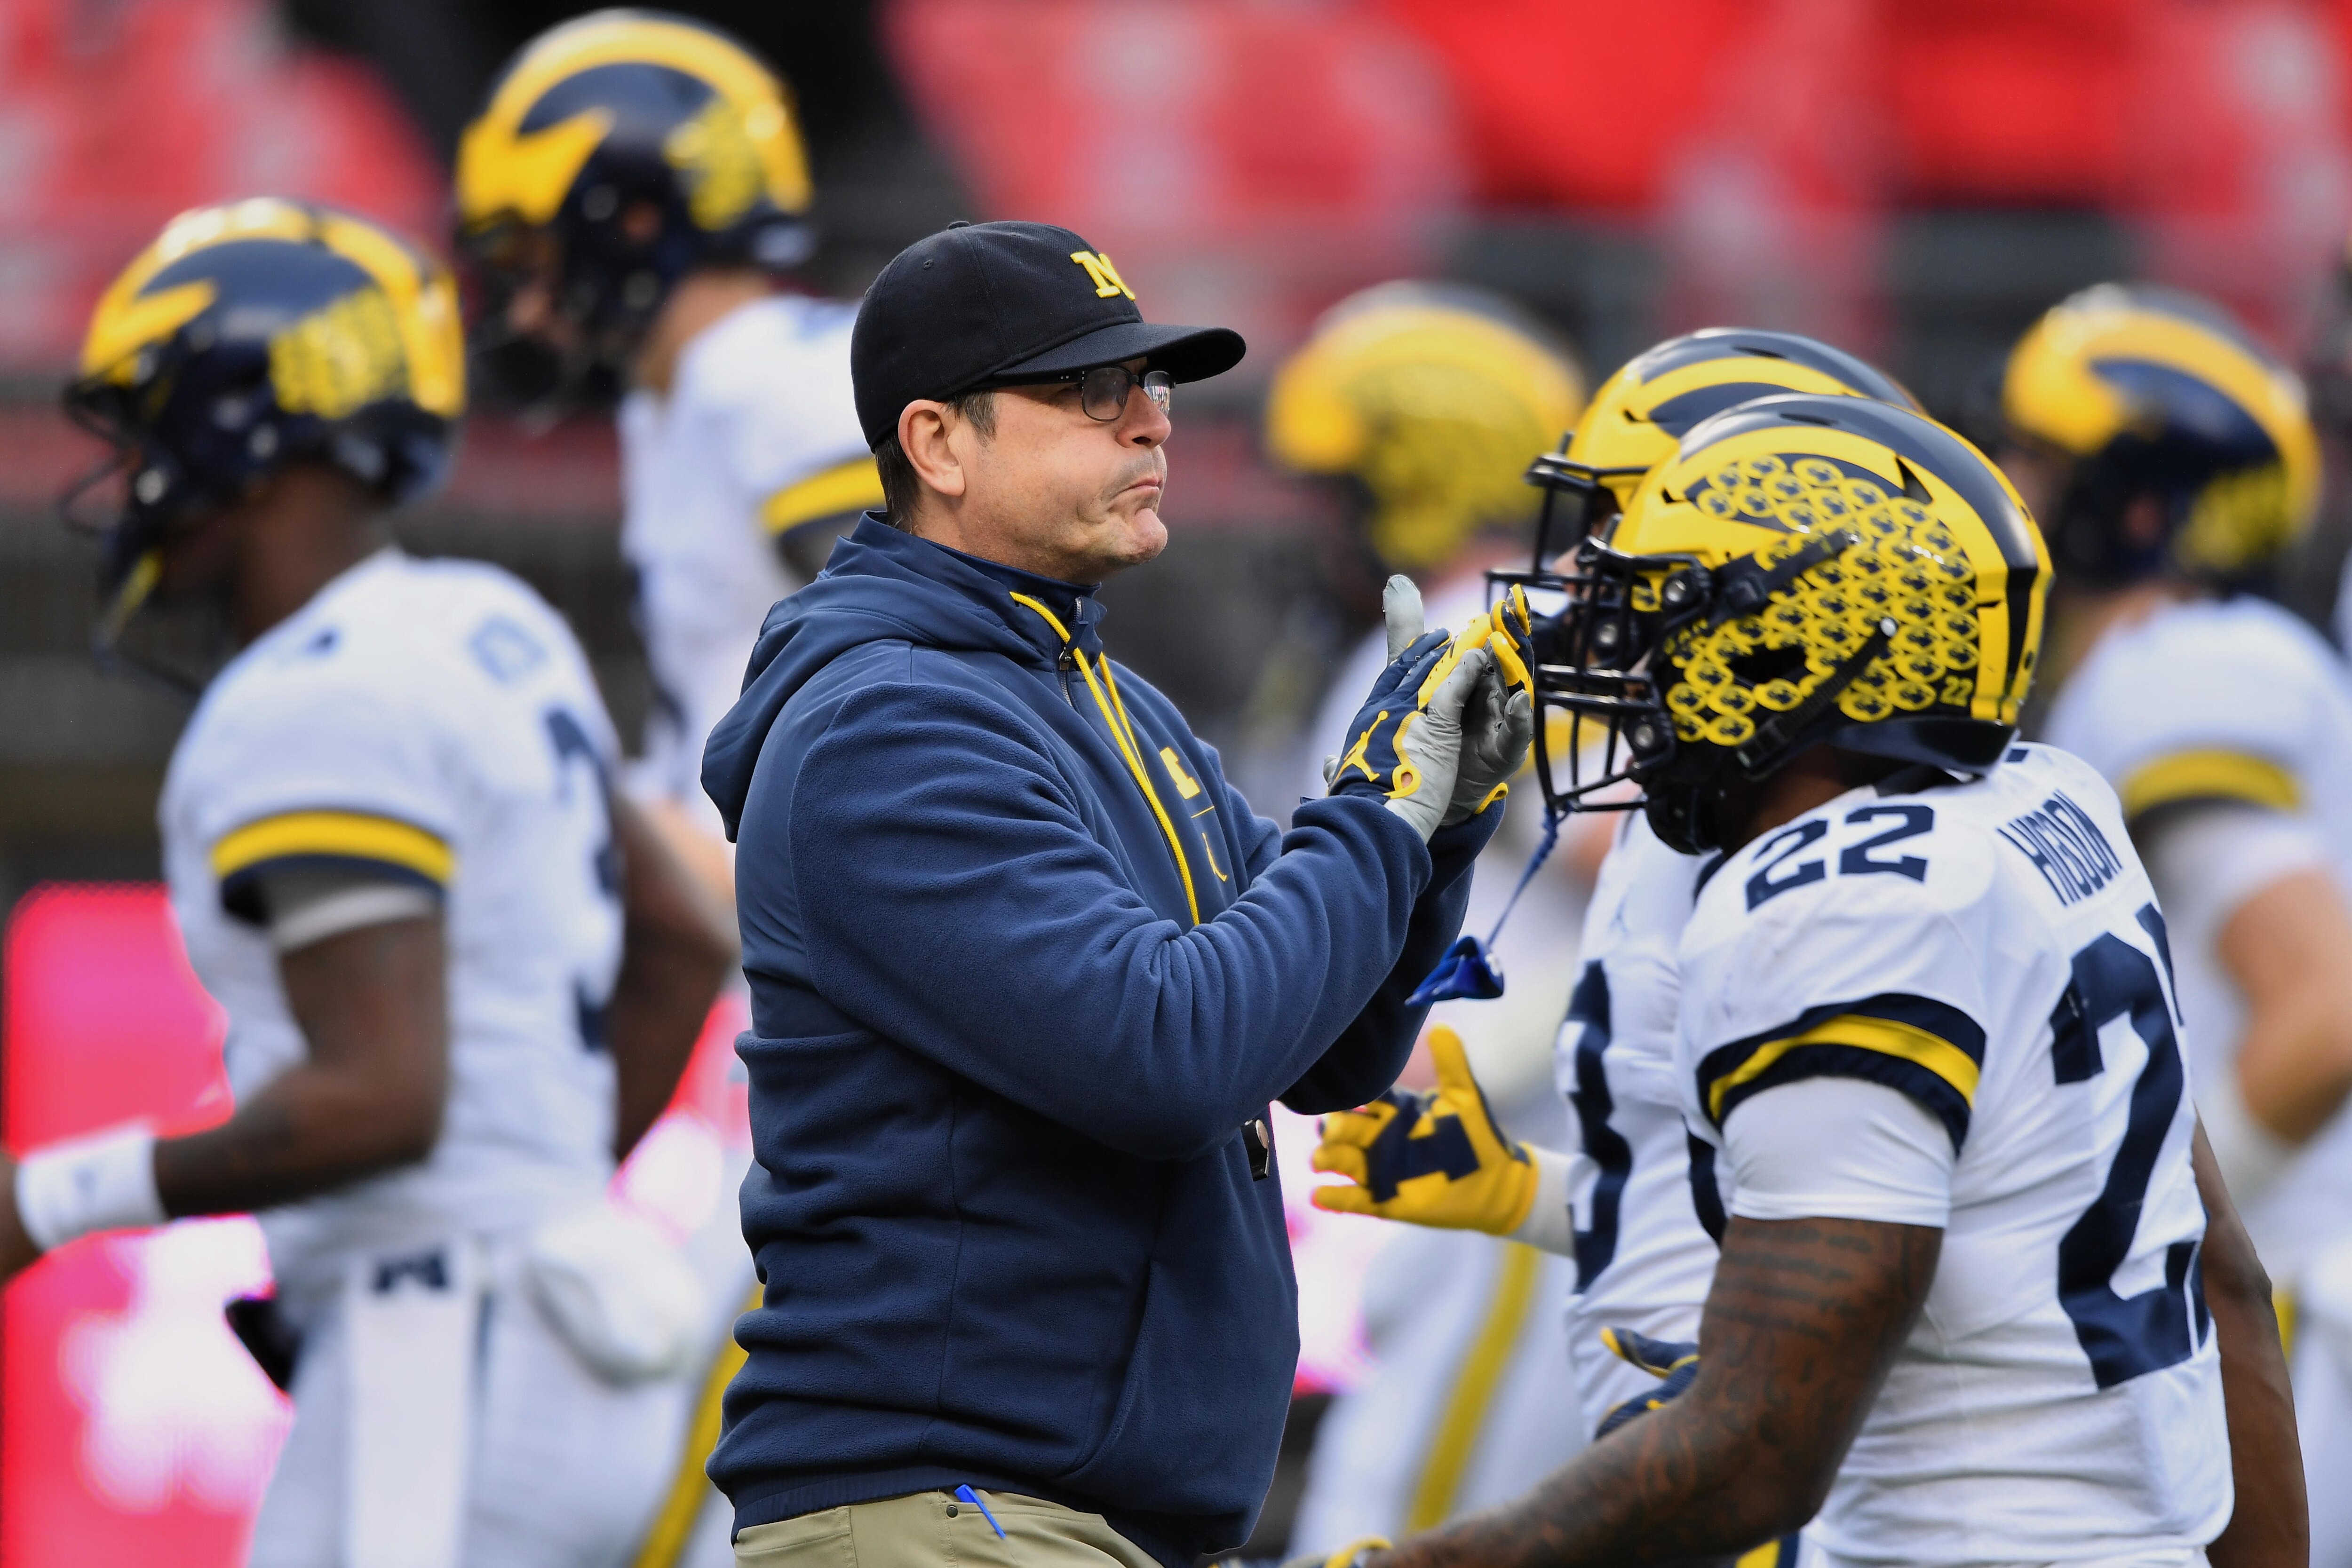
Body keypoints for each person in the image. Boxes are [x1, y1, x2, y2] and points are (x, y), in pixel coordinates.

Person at [1312, 392, 2302, 1566]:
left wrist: (1430, 1563)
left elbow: (1759, 1447)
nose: (1637, 669)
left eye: (1672, 626)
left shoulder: (1837, 899)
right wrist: (1537, 1192)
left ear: (1794, 650)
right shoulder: (2049, 802)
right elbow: (2215, 1278)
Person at [693, 218, 1532, 1568]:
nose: (1152, 421)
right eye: (1091, 390)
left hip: (1065, 1508)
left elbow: (1326, 1050)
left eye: (1151, 385)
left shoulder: (1100, 694)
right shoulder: (886, 721)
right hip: (952, 1505)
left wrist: (1437, 832)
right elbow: (1169, 1058)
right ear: (937, 443)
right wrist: (1381, 807)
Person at [0, 199, 739, 1567]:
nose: (132, 470)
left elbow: (383, 1092)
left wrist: (47, 1198)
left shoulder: (313, 694)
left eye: (152, 422)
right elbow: (686, 938)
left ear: (244, 424)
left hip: (440, 1362)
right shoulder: (489, 622)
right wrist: (532, 1195)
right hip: (565, 1320)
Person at [1313, 329, 1923, 1461]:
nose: (1582, 573)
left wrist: (1492, 1049)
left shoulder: (1803, 838)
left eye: (1622, 527)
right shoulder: (1728, 791)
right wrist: (1524, 1191)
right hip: (1663, 1293)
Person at [1999, 281, 2343, 1565]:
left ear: (2137, 501)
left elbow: (2326, 1010)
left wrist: (2154, 1244)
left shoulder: (2183, 666)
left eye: (2037, 456)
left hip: (2282, 1301)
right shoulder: (2159, 668)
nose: (2004, 486)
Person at [1264, 282, 1590, 1552]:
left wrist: (1508, 1037)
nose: (1324, 527)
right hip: (1443, 1151)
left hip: (1508, 1140)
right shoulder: (1458, 615)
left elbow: (1643, 855)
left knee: (1401, 1517)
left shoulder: (1503, 623)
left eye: (1342, 490)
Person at [455, 8, 877, 901]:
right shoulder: (680, 397)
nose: (526, 306)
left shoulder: (769, 382)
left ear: (637, 221)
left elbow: (933, 702)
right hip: (775, 918)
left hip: (830, 924)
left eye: (538, 256)